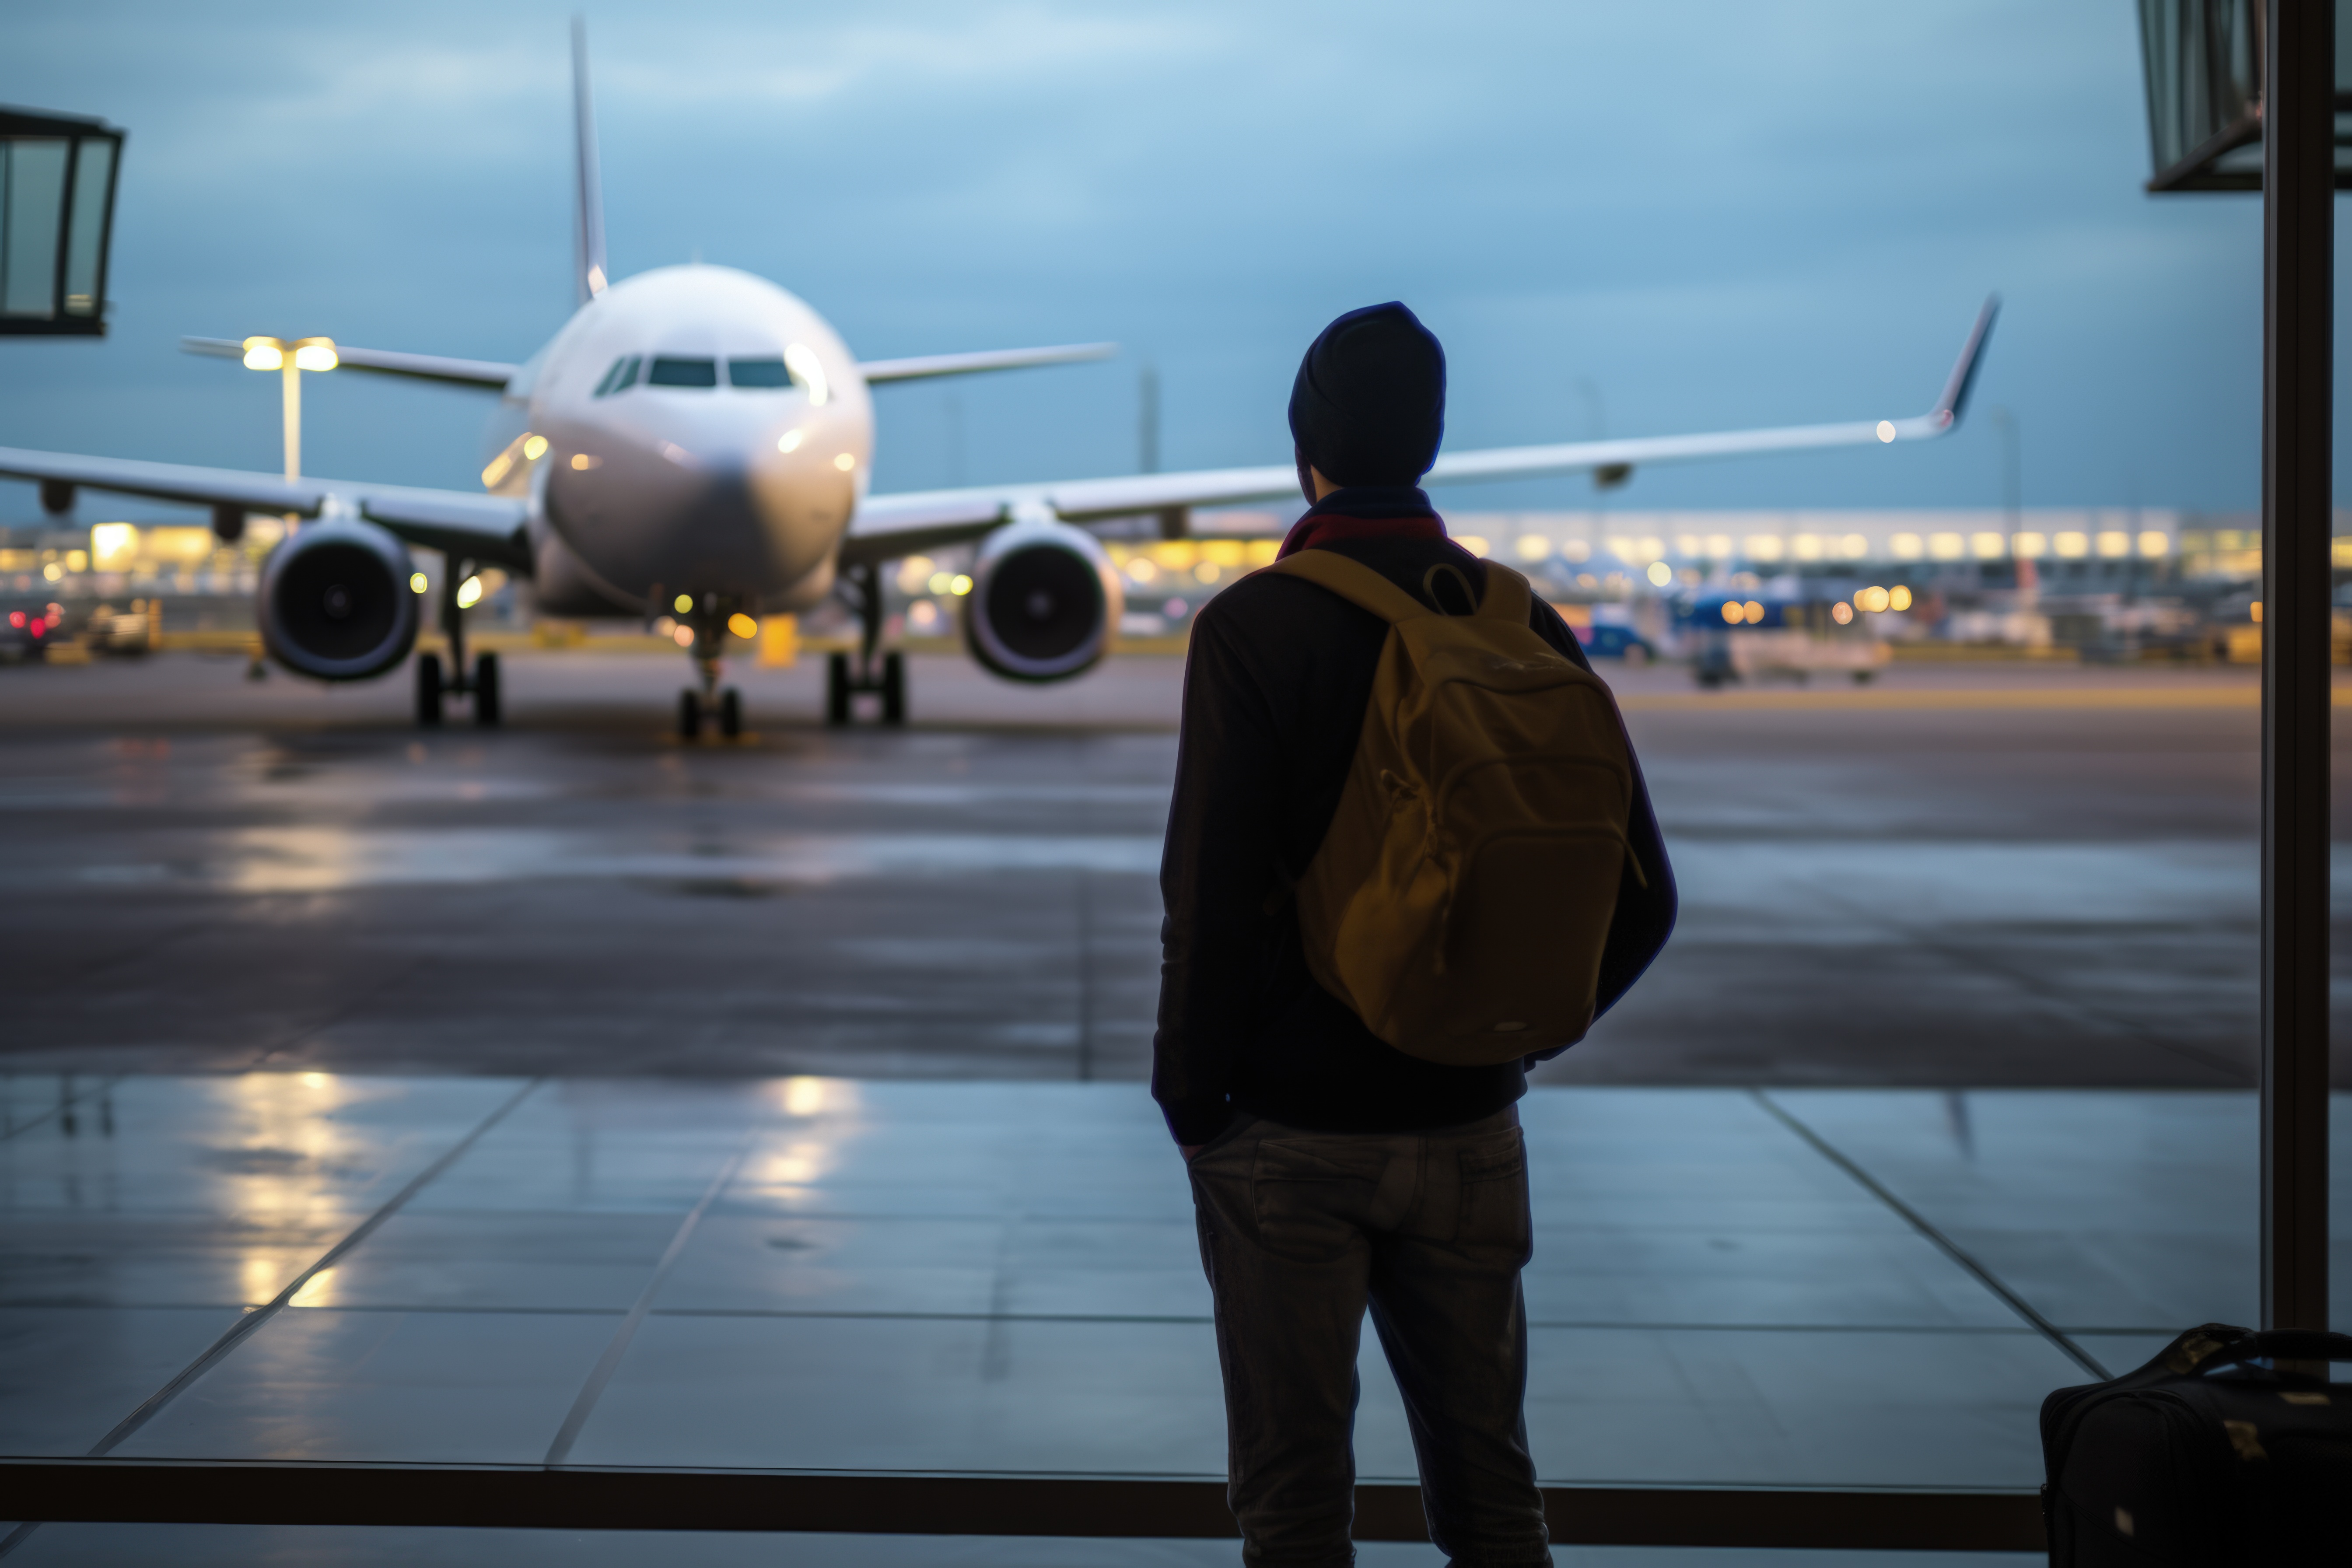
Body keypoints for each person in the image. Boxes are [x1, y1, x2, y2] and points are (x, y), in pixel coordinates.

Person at [1154, 301, 1676, 1568]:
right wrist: (1510, 1026)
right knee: (1494, 1497)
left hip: (1285, 1132)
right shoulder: (1517, 621)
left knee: (1294, 1504)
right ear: (1432, 440)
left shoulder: (1252, 626)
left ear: (1305, 450)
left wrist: (1193, 1096)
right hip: (1468, 1122)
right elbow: (1646, 897)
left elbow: (1209, 901)